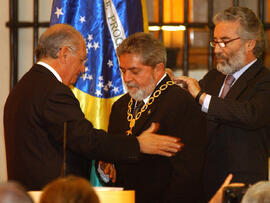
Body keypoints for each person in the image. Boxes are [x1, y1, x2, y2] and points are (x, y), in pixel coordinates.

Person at [3, 24, 182, 190]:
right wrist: (138, 144)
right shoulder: (52, 91)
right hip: (51, 196)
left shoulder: (24, 87)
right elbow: (86, 139)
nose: (82, 69)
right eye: (82, 60)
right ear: (64, 54)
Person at [176, 6, 270, 201]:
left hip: (241, 188)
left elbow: (250, 114)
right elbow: (192, 113)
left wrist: (200, 96)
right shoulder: (213, 77)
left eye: (225, 42)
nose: (217, 49)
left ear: (250, 44)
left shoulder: (264, 80)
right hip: (201, 185)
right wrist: (170, 87)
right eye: (215, 42)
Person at [102, 32, 207, 203]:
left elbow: (187, 174)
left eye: (135, 71)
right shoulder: (120, 106)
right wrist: (108, 167)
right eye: (123, 70)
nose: (126, 78)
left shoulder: (180, 103)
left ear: (158, 69)